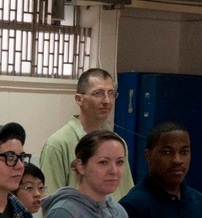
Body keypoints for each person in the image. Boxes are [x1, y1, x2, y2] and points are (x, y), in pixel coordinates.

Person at [39, 68, 133, 202]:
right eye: (98, 93)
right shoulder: (58, 144)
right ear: (79, 99)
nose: (107, 101)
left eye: (111, 93)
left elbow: (126, 194)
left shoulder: (118, 142)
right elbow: (49, 202)